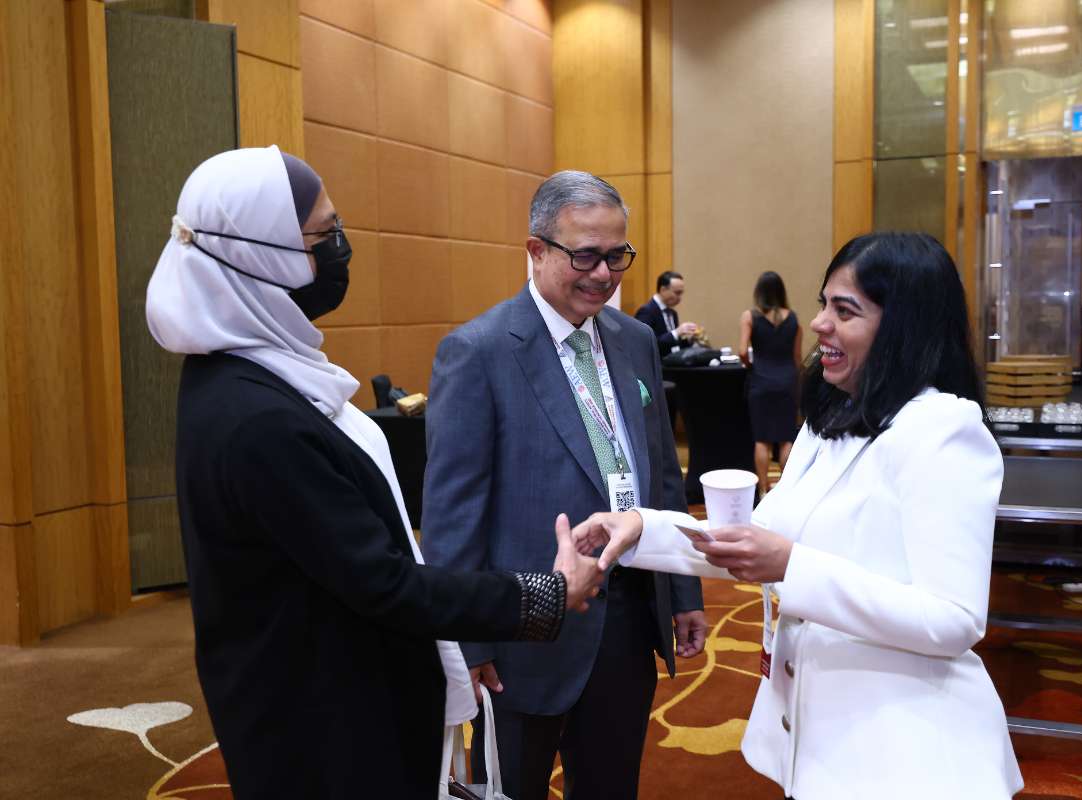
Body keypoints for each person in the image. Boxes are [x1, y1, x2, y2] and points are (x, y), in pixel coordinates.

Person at [145, 146, 602, 800]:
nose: (342, 249)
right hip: (321, 724)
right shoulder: (256, 418)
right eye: (322, 236)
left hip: (323, 692)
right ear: (259, 255)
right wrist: (543, 595)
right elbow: (383, 582)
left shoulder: (249, 370)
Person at [573, 232, 1024, 799]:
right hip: (820, 728)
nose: (818, 324)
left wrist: (792, 566)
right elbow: (756, 540)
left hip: (906, 745)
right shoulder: (831, 417)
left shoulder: (943, 431)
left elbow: (953, 620)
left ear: (903, 328)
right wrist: (643, 529)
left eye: (845, 311)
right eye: (823, 304)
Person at [422, 170, 707, 800]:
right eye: (586, 255)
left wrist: (682, 587)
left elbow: (662, 474)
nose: (604, 274)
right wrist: (470, 639)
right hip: (524, 635)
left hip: (629, 616)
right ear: (536, 250)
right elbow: (452, 515)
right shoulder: (479, 351)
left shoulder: (635, 339)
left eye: (618, 256)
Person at [738, 271, 804, 495]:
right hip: (787, 382)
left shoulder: (750, 316)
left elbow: (742, 351)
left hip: (761, 382)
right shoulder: (794, 319)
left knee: (762, 440)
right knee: (786, 439)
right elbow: (797, 358)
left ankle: (763, 491)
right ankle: (786, 490)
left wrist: (750, 365)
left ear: (759, 292)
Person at [635, 270, 699, 356]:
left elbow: (673, 344)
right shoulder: (646, 311)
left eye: (681, 293)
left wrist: (690, 340)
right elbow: (645, 344)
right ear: (663, 289)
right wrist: (676, 332)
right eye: (677, 293)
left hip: (672, 361)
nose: (680, 298)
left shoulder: (673, 313)